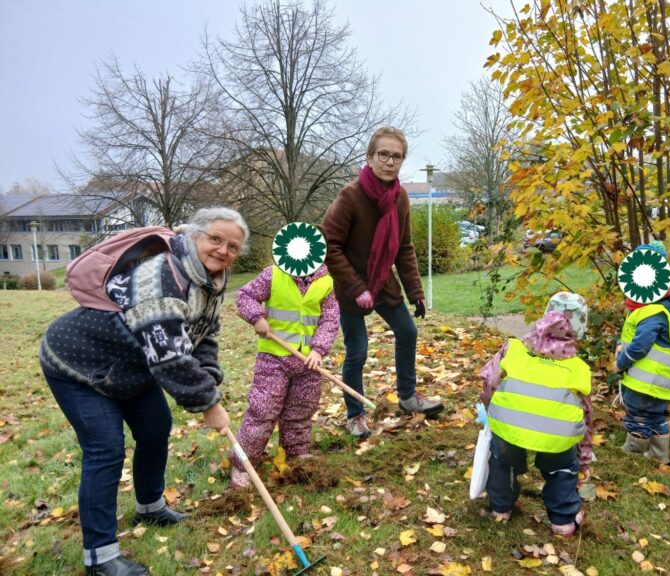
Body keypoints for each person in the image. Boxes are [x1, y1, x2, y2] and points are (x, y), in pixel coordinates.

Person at [39, 207, 249, 576]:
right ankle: (100, 557)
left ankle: (150, 506)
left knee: (154, 430)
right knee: (105, 450)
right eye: (216, 238)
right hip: (79, 364)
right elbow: (169, 357)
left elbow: (204, 332)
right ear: (195, 235)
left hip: (132, 366)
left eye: (233, 246)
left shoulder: (211, 280)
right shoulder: (160, 276)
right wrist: (207, 403)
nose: (223, 250)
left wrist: (210, 377)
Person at [322, 126, 444, 439]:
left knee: (407, 330)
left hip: (382, 281)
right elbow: (329, 246)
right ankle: (355, 414)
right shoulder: (350, 196)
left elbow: (404, 247)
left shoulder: (400, 197)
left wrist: (415, 292)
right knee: (357, 351)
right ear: (370, 156)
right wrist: (355, 287)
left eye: (397, 156)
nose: (390, 161)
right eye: (384, 154)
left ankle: (408, 397)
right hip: (350, 286)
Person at [230, 222, 339, 489]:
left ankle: (297, 453)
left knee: (300, 412)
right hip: (273, 359)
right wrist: (256, 318)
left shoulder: (326, 283)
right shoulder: (273, 275)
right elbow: (244, 296)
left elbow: (330, 319)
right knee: (262, 411)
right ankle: (243, 465)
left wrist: (318, 349)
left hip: (308, 364)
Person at [480, 292, 592, 537]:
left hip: (509, 423)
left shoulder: (514, 348)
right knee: (562, 468)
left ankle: (500, 509)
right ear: (579, 331)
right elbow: (585, 417)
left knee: (503, 461)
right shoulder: (579, 369)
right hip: (558, 433)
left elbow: (488, 383)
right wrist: (583, 456)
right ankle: (563, 521)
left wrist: (490, 413)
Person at [614, 241, 670, 465]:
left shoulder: (652, 312)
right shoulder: (655, 309)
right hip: (658, 383)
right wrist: (620, 342)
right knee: (656, 417)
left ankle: (633, 453)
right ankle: (658, 454)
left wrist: (621, 363)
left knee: (638, 416)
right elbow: (633, 336)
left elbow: (641, 345)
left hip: (646, 382)